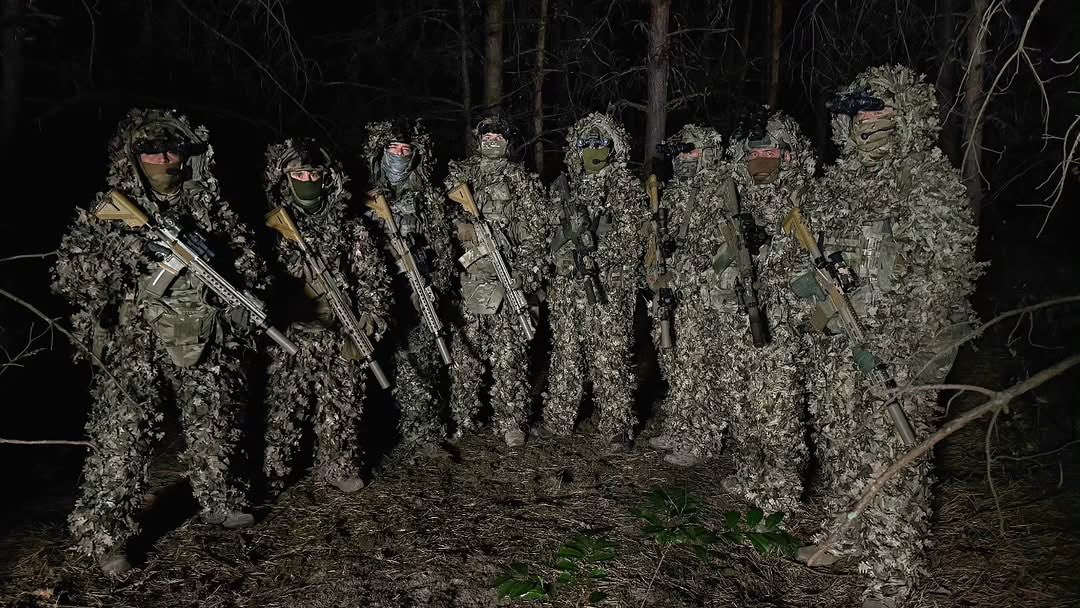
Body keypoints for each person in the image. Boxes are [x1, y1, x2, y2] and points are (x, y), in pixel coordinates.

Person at [795, 65, 981, 607]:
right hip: (843, 340)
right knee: (840, 440)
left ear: (907, 115)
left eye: (881, 111)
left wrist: (895, 335)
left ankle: (892, 570)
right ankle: (846, 532)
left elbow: (946, 272)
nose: (869, 122)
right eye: (861, 114)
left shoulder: (927, 181)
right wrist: (820, 303)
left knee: (893, 450)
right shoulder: (837, 184)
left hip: (906, 345)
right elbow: (812, 259)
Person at [53, 108, 264, 574]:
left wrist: (243, 291)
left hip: (200, 329)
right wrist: (133, 250)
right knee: (122, 436)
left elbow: (246, 259)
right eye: (152, 152)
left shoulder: (208, 205)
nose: (164, 160)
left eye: (172, 151)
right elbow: (73, 275)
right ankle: (107, 536)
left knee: (215, 419)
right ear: (133, 157)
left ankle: (221, 499)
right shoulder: (108, 210)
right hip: (135, 340)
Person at [261, 137, 390, 495]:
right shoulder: (272, 229)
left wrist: (369, 320)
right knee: (283, 406)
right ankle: (275, 469)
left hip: (338, 331)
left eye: (313, 174)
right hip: (292, 334)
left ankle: (338, 465)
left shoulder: (351, 228)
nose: (307, 181)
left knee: (344, 404)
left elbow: (372, 278)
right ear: (284, 179)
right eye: (299, 174)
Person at [718, 110, 816, 513]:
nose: (762, 162)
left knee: (777, 410)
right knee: (740, 401)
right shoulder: (735, 200)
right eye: (754, 154)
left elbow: (812, 265)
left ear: (788, 155)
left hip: (782, 324)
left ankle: (780, 494)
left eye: (772, 152)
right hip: (739, 317)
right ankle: (748, 473)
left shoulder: (804, 199)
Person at [536, 112, 649, 448]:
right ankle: (558, 419)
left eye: (600, 142)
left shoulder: (624, 187)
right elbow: (547, 233)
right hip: (567, 286)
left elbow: (634, 238)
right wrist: (559, 254)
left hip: (608, 287)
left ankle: (617, 424)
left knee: (610, 355)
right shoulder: (563, 188)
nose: (593, 148)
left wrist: (597, 250)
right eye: (586, 143)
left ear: (612, 146)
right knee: (566, 352)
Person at [444, 116, 550, 447]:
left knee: (511, 356)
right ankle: (462, 418)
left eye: (499, 136)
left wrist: (525, 273)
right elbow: (440, 222)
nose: (492, 140)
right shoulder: (462, 177)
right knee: (467, 354)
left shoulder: (522, 182)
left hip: (508, 279)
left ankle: (511, 420)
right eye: (486, 135)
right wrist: (464, 229)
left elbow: (538, 235)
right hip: (471, 279)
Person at [645, 124, 735, 467]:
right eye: (681, 153)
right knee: (674, 362)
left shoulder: (717, 189)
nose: (685, 158)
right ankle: (680, 425)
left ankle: (702, 438)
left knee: (698, 369)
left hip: (701, 295)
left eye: (692, 151)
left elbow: (720, 245)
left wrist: (686, 269)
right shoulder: (672, 192)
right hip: (670, 291)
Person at [362, 119, 454, 454]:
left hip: (416, 288)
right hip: (376, 290)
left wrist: (436, 283)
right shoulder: (364, 193)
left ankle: (424, 434)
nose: (400, 155)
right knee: (373, 361)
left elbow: (442, 243)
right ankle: (377, 436)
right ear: (382, 152)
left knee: (420, 361)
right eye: (394, 149)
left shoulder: (425, 194)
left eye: (406, 150)